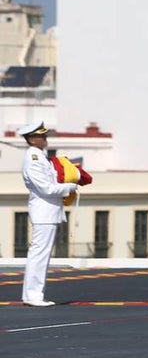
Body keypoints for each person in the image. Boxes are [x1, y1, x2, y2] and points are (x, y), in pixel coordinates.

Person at [20, 121, 91, 307]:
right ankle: (33, 296)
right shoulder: (33, 159)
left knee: (42, 255)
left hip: (48, 211)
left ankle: (34, 294)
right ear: (32, 139)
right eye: (41, 136)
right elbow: (46, 188)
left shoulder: (40, 156)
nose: (45, 139)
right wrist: (70, 186)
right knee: (39, 255)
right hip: (43, 211)